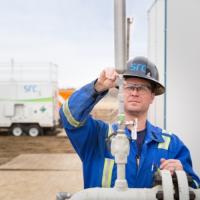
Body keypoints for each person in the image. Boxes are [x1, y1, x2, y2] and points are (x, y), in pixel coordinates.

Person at [59, 56, 200, 189]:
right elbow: (69, 115)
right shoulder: (97, 136)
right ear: (120, 91)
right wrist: (98, 87)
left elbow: (195, 188)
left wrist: (182, 177)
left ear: (152, 96)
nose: (134, 92)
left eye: (142, 88)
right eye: (129, 86)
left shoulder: (172, 145)